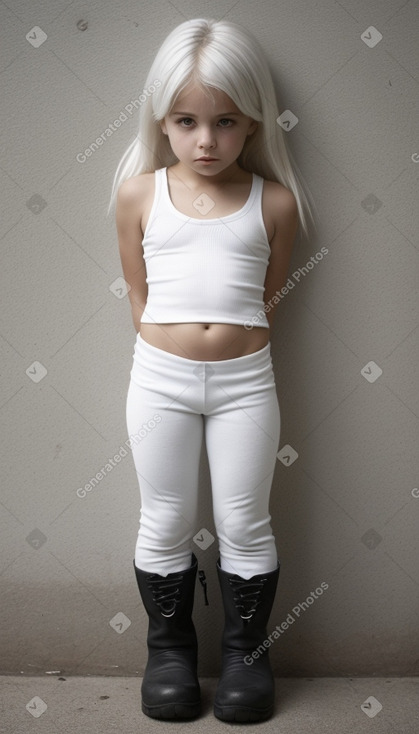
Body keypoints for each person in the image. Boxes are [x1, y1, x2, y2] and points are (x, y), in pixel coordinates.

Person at [108, 17, 316, 723]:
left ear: (252, 122)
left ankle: (244, 656)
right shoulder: (136, 196)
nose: (206, 140)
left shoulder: (275, 203)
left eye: (225, 122)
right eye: (187, 121)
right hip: (157, 379)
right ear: (161, 121)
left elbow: (270, 297)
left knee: (245, 521)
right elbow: (137, 293)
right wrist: (168, 344)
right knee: (163, 517)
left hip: (244, 386)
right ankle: (167, 652)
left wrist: (229, 346)